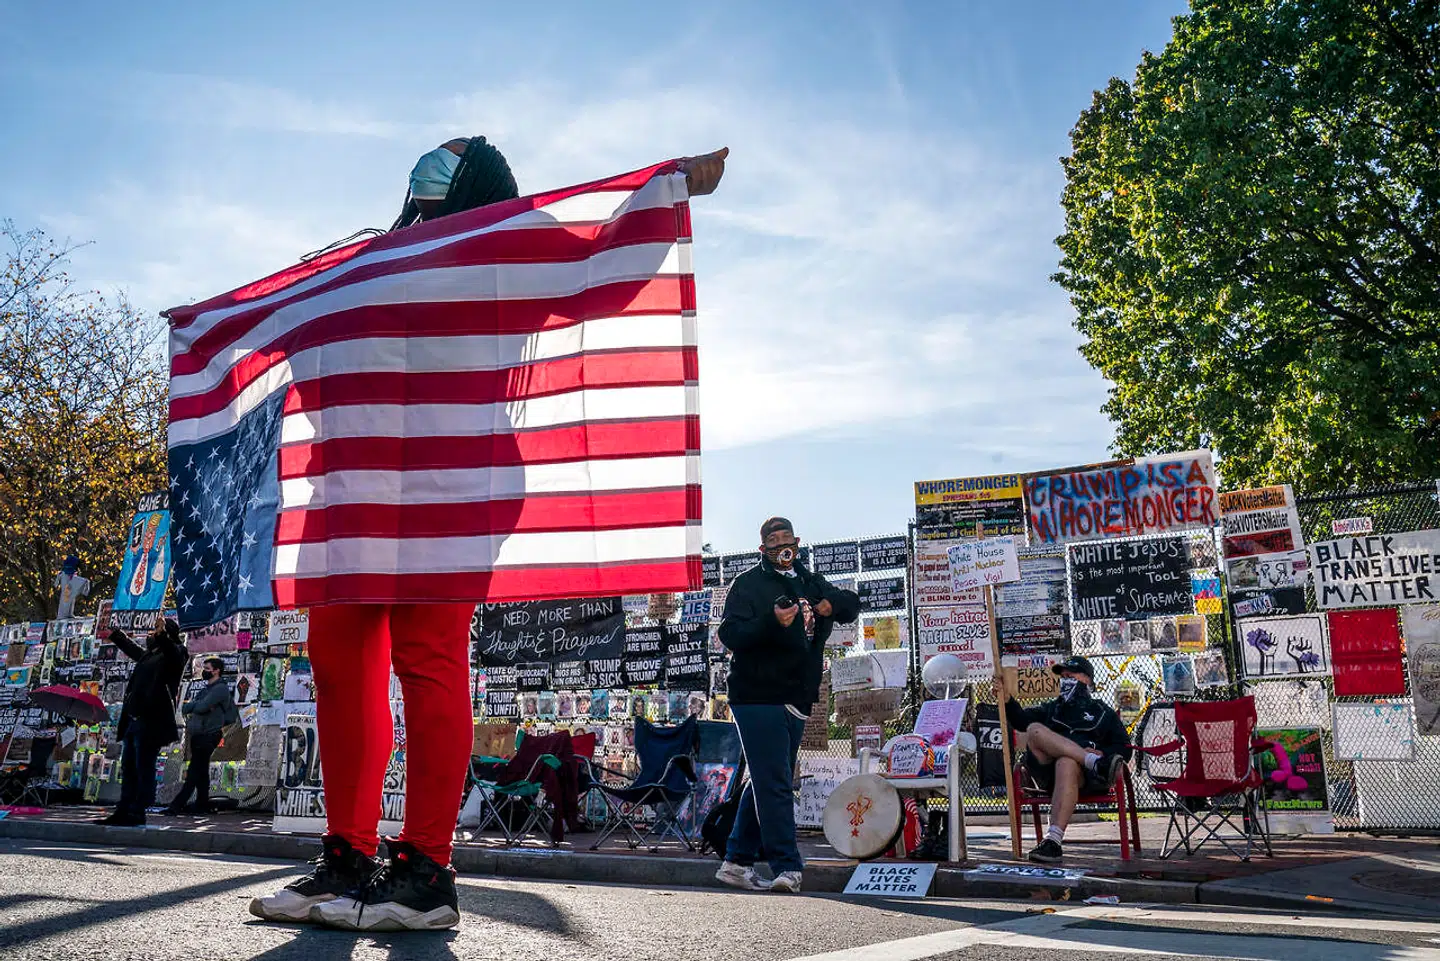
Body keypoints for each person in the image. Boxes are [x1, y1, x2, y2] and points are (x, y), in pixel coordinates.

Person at [250, 136, 728, 932]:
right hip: (362, 477)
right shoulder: (374, 258)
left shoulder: (506, 255)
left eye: (443, 175)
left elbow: (592, 265)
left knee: (426, 651)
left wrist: (664, 187)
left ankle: (427, 871)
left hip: (457, 476)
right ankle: (347, 858)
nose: (423, 182)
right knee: (338, 652)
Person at [715, 517, 860, 893]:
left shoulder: (808, 581)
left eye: (786, 538)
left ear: (796, 542)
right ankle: (786, 866)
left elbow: (851, 604)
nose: (781, 545)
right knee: (776, 780)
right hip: (755, 694)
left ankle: (735, 861)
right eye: (772, 540)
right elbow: (729, 633)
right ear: (762, 549)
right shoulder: (747, 584)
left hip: (797, 695)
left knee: (767, 777)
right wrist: (772, 622)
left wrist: (830, 605)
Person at [994, 655, 1131, 863]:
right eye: (1063, 676)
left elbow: (1124, 748)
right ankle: (1090, 761)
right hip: (1047, 773)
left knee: (1066, 762)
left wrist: (1103, 754)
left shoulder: (1104, 712)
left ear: (1087, 679)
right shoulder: (1051, 708)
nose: (1065, 680)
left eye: (1071, 675)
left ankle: (1053, 841)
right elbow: (1021, 722)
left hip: (1086, 778)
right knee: (1034, 730)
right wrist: (1007, 700)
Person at [104, 619, 187, 826]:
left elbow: (172, 652)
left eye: (154, 631)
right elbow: (133, 650)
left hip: (152, 719)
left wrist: (162, 635)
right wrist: (116, 634)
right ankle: (124, 808)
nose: (149, 635)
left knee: (144, 765)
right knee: (129, 766)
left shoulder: (176, 653)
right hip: (135, 718)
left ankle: (138, 809)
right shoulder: (150, 655)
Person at [165, 657, 239, 816]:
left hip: (209, 734)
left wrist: (198, 707)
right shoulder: (206, 689)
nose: (204, 671)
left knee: (194, 771)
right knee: (201, 771)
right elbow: (188, 707)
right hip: (198, 733)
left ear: (216, 670)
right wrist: (196, 706)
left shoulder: (220, 689)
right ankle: (202, 804)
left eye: (207, 668)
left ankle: (176, 805)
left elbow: (201, 706)